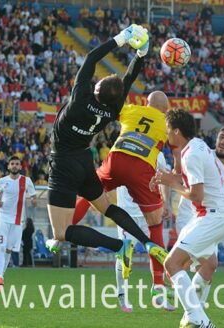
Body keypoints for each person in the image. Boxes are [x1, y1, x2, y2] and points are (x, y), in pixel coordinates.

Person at [46, 24, 165, 280]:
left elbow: (91, 58)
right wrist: (141, 54)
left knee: (61, 232)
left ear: (96, 89)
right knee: (107, 208)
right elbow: (128, 79)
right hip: (83, 161)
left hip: (63, 163)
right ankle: (147, 242)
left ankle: (119, 246)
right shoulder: (113, 110)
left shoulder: (79, 98)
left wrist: (121, 39)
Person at [62, 90, 171, 295]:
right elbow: (175, 154)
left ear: (146, 103)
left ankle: (63, 230)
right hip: (140, 178)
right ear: (165, 110)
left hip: (116, 164)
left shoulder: (132, 110)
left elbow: (109, 108)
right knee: (156, 225)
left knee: (88, 193)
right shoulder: (166, 125)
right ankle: (158, 285)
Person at [153, 109, 224, 327]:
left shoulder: (191, 154)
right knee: (207, 264)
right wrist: (169, 178)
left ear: (177, 131)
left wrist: (172, 183)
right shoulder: (197, 145)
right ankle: (193, 317)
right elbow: (195, 180)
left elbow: (195, 194)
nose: (167, 133)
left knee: (172, 263)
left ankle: (201, 320)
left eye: (169, 130)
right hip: (211, 216)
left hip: (212, 217)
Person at [171, 125, 224, 308]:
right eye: (221, 137)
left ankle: (194, 308)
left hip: (210, 219)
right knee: (186, 262)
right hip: (190, 216)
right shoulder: (201, 154)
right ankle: (190, 307)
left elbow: (221, 198)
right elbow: (178, 177)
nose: (223, 142)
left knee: (209, 266)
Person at [115, 152, 174, 312]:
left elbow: (165, 178)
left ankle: (158, 294)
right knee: (125, 256)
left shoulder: (157, 153)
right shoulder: (124, 147)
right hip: (128, 213)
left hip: (150, 213)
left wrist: (166, 203)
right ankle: (122, 295)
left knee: (156, 254)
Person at [0, 156, 37, 291]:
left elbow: (33, 196)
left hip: (18, 221)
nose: (15, 166)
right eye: (12, 164)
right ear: (8, 167)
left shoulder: (26, 181)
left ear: (20, 167)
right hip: (3, 218)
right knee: (1, 246)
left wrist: (34, 201)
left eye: (17, 164)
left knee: (9, 250)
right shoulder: (2, 181)